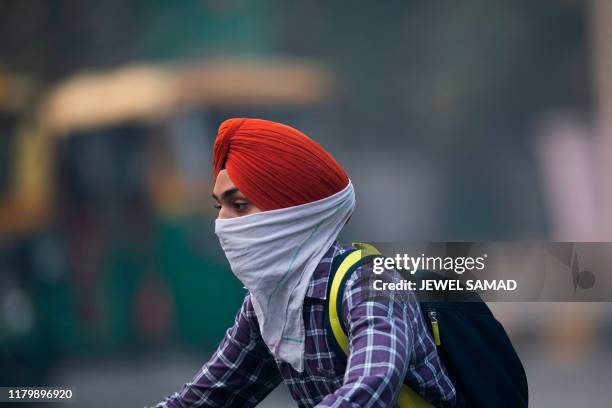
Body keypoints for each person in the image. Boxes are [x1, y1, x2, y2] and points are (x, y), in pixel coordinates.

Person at [150, 118, 456, 407]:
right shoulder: (267, 309)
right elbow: (205, 399)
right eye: (219, 206)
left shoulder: (368, 285)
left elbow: (371, 386)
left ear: (290, 214)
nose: (222, 223)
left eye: (238, 205)